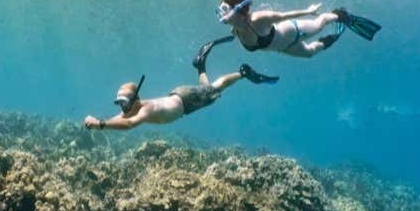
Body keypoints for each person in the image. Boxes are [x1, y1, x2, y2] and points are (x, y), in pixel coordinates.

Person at [84, 38, 278, 131]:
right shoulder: (131, 108)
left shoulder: (145, 110)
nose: (122, 106)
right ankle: (200, 65)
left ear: (136, 99)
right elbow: (120, 117)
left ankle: (242, 72)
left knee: (215, 89)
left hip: (186, 99)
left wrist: (99, 124)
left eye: (124, 101)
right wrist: (99, 122)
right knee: (208, 89)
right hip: (180, 98)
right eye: (119, 103)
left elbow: (128, 124)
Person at [212, 0, 381, 58]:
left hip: (293, 31)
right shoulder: (235, 31)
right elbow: (236, 36)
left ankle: (340, 15)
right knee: (310, 54)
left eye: (224, 11)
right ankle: (333, 38)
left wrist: (308, 10)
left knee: (319, 24)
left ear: (237, 10)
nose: (222, 16)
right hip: (285, 47)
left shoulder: (258, 19)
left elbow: (283, 16)